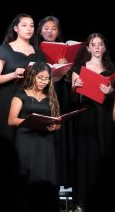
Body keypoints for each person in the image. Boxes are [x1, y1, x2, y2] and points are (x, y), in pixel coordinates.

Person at [70, 33, 115, 211]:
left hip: (104, 117)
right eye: (93, 44)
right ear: (88, 48)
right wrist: (76, 87)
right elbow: (73, 99)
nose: (97, 47)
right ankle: (81, 201)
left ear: (104, 48)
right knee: (85, 157)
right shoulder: (79, 67)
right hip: (86, 116)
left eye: (100, 44)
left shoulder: (111, 69)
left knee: (103, 154)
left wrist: (110, 92)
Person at [0, 13, 46, 143]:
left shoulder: (39, 53)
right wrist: (13, 74)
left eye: (32, 26)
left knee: (28, 142)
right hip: (9, 98)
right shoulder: (5, 49)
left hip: (32, 102)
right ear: (16, 28)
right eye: (24, 25)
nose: (29, 29)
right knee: (8, 140)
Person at [33, 15, 75, 187]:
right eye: (46, 28)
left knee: (61, 131)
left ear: (58, 32)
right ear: (40, 30)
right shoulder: (34, 49)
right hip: (42, 92)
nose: (50, 32)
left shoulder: (64, 50)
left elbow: (73, 78)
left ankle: (62, 178)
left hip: (61, 92)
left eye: (54, 29)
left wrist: (66, 66)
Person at [8, 61, 60, 185]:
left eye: (47, 79)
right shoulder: (21, 94)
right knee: (26, 174)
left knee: (44, 173)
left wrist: (55, 126)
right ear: (33, 76)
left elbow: (58, 120)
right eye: (40, 78)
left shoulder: (50, 96)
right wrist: (30, 121)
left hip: (45, 140)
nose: (44, 81)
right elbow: (11, 120)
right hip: (26, 138)